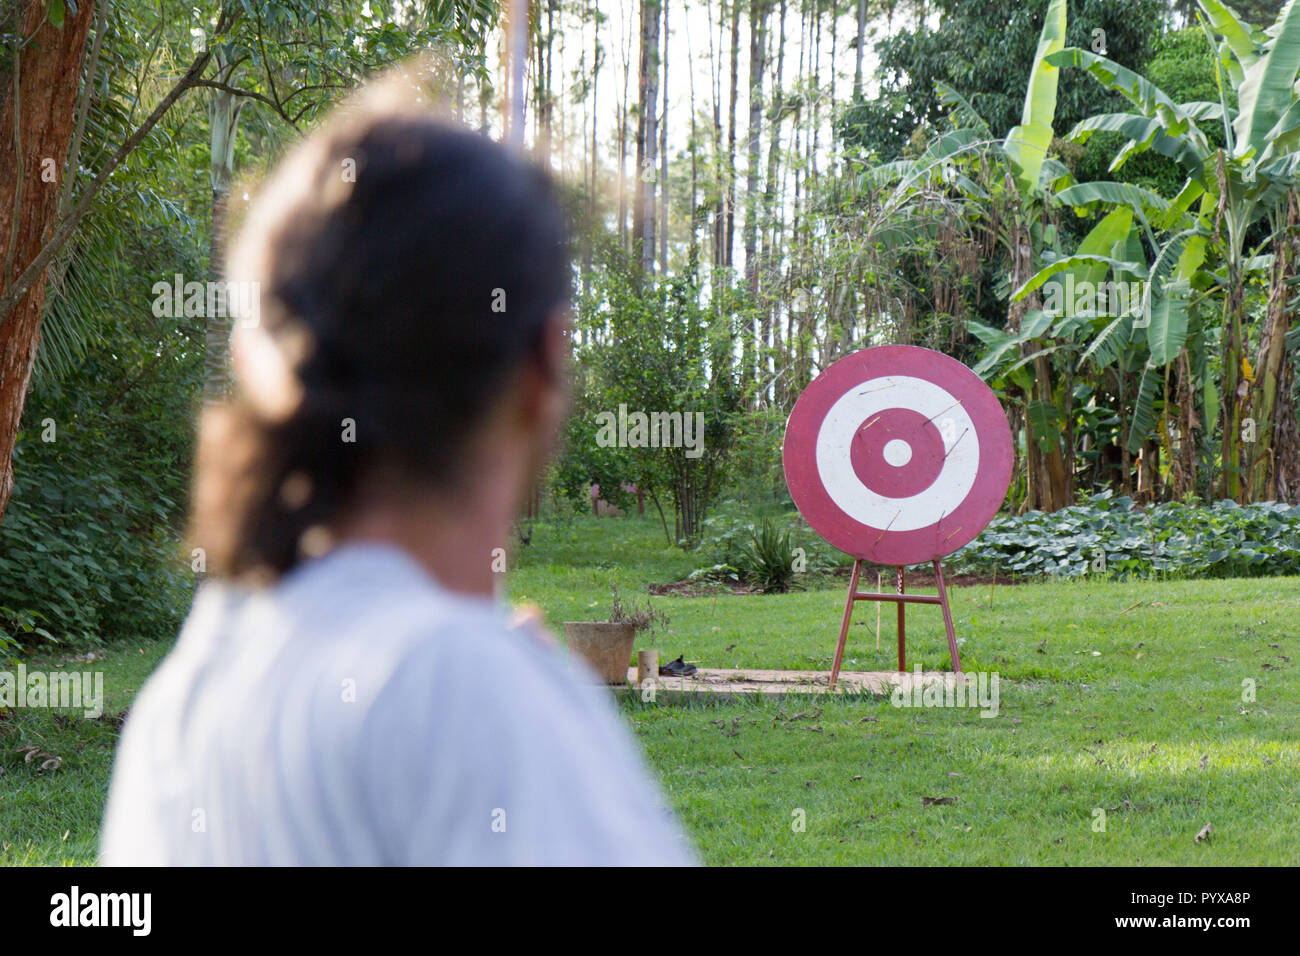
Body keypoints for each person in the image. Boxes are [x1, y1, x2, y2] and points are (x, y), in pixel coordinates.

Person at [99, 80, 695, 866]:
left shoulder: (183, 701)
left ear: (256, 365)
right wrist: (514, 698)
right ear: (545, 364)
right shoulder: (472, 698)